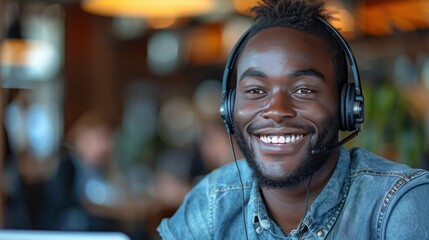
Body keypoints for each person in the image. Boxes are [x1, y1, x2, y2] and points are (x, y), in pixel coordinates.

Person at [157, 0, 429, 239]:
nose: (276, 110)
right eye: (255, 91)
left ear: (346, 107)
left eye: (303, 90)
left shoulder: (398, 204)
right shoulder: (214, 201)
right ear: (229, 109)